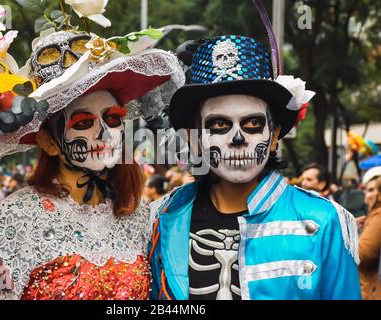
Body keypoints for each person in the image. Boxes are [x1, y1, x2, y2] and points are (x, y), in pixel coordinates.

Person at [0, 3, 184, 299]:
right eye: (83, 122)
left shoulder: (137, 217)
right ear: (49, 142)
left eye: (113, 118)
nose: (103, 132)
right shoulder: (14, 217)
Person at [148, 32, 360, 300]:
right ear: (194, 138)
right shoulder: (163, 218)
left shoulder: (324, 221)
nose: (238, 139)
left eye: (252, 124)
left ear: (273, 137)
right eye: (219, 125)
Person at [358, 176, 381, 300]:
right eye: (368, 190)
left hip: (373, 291)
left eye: (374, 190)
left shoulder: (379, 217)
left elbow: (362, 254)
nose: (369, 195)